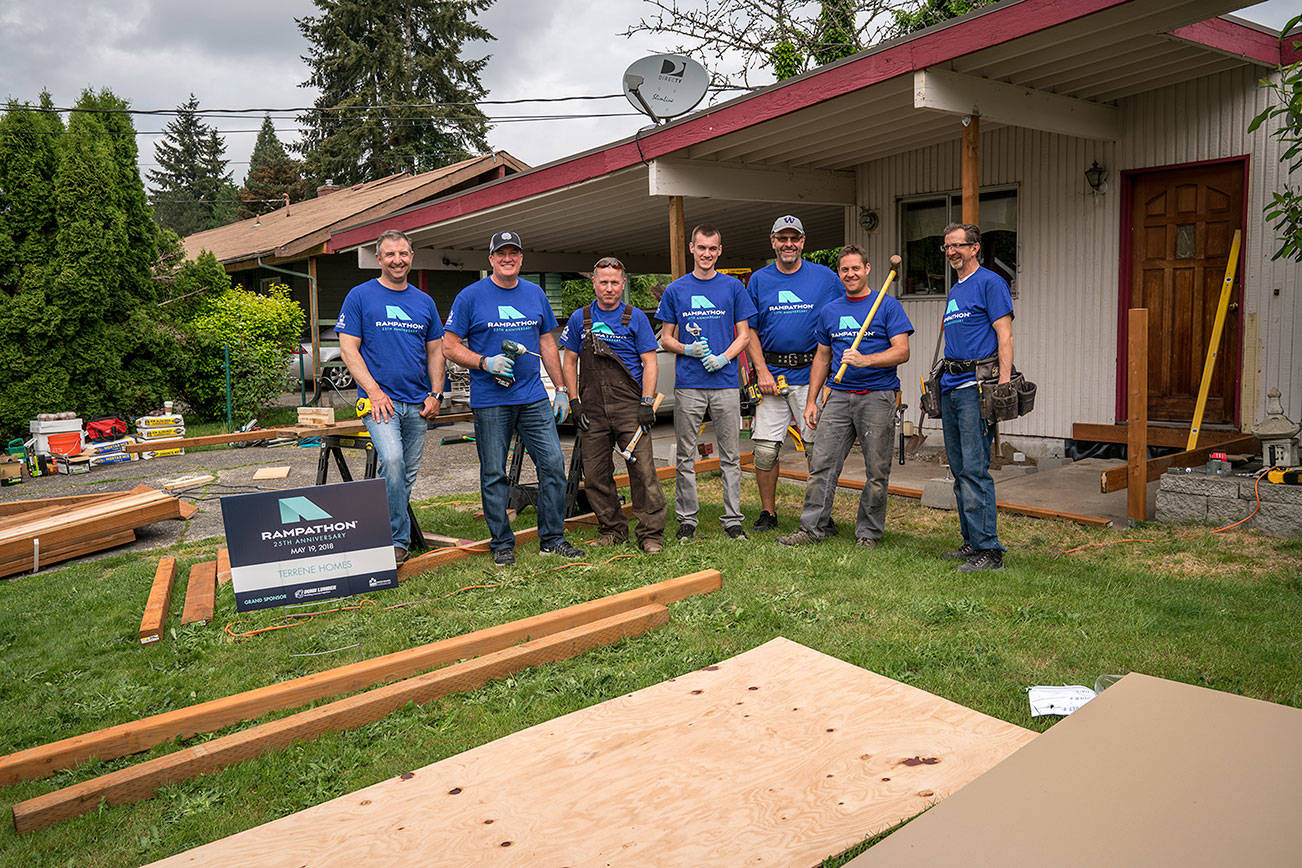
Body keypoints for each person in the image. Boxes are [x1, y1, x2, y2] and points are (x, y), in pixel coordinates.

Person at [442, 230, 584, 567]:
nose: (508, 259)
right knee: (494, 473)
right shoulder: (470, 296)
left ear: (521, 258)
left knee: (552, 466)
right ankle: (502, 543)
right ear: (491, 259)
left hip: (533, 396)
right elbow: (449, 345)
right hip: (491, 400)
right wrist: (483, 362)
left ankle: (552, 538)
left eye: (514, 253)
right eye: (501, 253)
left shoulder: (535, 294)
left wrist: (561, 389)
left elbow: (548, 344)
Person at [778, 244, 912, 549]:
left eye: (856, 268)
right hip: (837, 396)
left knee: (876, 471)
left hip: (877, 396)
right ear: (839, 274)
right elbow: (822, 357)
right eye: (844, 269)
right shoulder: (831, 311)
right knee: (822, 464)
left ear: (866, 269)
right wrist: (812, 400)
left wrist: (866, 359)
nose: (850, 274)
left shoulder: (886, 305)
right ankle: (812, 528)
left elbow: (902, 351)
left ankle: (868, 533)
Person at [336, 229, 445, 566]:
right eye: (390, 254)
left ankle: (374, 529)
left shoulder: (424, 302)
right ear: (379, 259)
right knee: (393, 462)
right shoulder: (360, 296)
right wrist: (373, 390)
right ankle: (395, 541)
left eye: (403, 254)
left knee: (405, 475)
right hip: (378, 402)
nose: (397, 260)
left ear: (411, 257)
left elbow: (436, 352)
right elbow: (348, 348)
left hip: (417, 403)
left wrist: (437, 394)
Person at [655, 224, 756, 540]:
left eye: (713, 249)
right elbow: (666, 338)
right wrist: (688, 348)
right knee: (686, 456)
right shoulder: (676, 290)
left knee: (730, 455)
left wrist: (724, 357)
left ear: (719, 251)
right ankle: (688, 520)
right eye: (702, 248)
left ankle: (733, 520)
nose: (707, 254)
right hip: (689, 384)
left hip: (725, 382)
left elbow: (745, 335)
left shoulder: (733, 289)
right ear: (692, 248)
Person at [559, 257, 666, 553]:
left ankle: (650, 534)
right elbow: (569, 360)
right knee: (595, 474)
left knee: (643, 472)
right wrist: (573, 400)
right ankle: (613, 529)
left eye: (614, 283)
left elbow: (650, 361)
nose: (609, 288)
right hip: (592, 409)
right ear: (594, 283)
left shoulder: (635, 317)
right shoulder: (580, 319)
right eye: (603, 282)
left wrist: (646, 401)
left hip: (630, 407)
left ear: (623, 284)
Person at [744, 214, 843, 532]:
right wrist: (761, 371)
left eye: (794, 238)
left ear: (803, 241)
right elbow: (750, 330)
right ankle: (768, 513)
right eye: (782, 238)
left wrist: (831, 376)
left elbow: (839, 323)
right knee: (764, 451)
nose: (789, 244)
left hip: (811, 375)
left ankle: (820, 515)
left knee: (818, 450)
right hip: (771, 377)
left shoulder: (826, 279)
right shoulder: (759, 280)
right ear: (772, 241)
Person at [937, 222, 1014, 572]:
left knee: (974, 469)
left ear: (974, 248)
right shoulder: (956, 290)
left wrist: (1004, 382)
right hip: (951, 387)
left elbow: (1005, 334)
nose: (951, 251)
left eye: (958, 245)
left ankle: (990, 551)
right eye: (947, 246)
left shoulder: (991, 283)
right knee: (958, 469)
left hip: (975, 388)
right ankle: (971, 543)